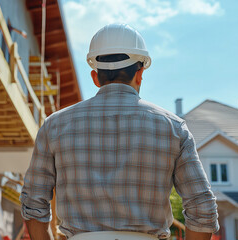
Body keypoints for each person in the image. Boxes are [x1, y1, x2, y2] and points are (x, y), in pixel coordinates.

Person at [20, 23, 219, 240]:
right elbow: (202, 207)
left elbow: (33, 201)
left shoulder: (54, 126)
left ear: (95, 77)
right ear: (140, 73)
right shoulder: (173, 128)